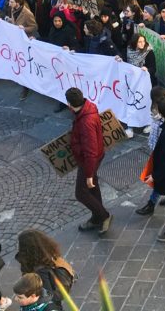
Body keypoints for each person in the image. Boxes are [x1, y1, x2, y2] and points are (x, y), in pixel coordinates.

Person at [65, 87, 111, 235]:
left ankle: (103, 215)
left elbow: (90, 150)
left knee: (81, 193)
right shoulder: (88, 110)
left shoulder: (86, 122)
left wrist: (89, 174)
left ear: (70, 105)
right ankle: (97, 217)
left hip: (89, 161)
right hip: (93, 157)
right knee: (92, 187)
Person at [13, 229, 74, 308]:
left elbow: (47, 295)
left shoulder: (40, 271)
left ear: (28, 249)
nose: (18, 247)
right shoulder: (47, 254)